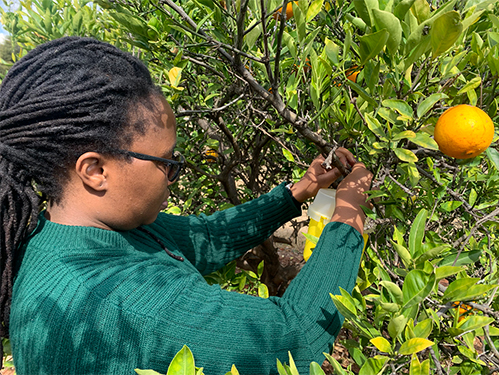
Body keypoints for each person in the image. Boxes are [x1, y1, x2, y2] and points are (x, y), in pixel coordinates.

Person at [0, 37, 372, 374]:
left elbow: (207, 236)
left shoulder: (74, 231)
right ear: (96, 170)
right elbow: (296, 337)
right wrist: (349, 215)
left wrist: (300, 191)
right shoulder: (126, 303)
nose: (174, 173)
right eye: (167, 162)